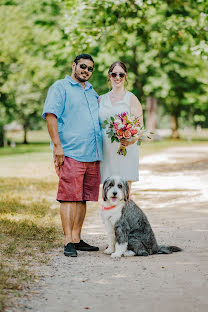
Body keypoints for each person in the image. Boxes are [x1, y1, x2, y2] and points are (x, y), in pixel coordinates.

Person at [42, 54, 103, 257]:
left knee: (83, 197)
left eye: (90, 68)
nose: (86, 70)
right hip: (71, 152)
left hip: (92, 153)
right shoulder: (60, 87)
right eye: (83, 66)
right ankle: (68, 240)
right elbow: (51, 116)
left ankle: (77, 239)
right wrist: (57, 147)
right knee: (69, 197)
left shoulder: (92, 92)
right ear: (74, 65)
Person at [99, 61, 144, 190]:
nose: (117, 77)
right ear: (109, 76)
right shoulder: (101, 99)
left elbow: (140, 128)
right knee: (108, 192)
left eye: (121, 74)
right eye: (114, 74)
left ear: (125, 76)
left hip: (126, 152)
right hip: (106, 152)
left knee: (124, 193)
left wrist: (130, 141)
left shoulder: (132, 99)